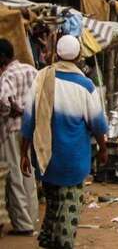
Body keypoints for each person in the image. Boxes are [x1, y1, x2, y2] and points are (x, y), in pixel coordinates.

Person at [20, 35, 109, 249]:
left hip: (45, 156)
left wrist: (23, 153)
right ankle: (62, 243)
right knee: (68, 208)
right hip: (74, 158)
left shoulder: (41, 78)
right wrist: (103, 149)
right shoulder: (85, 86)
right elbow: (97, 124)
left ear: (57, 54)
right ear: (78, 56)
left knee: (53, 202)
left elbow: (28, 119)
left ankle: (48, 240)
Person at [0, 39, 38, 236]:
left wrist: (11, 110)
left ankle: (23, 224)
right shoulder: (31, 70)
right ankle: (31, 217)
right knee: (27, 173)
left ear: (2, 57)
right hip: (29, 129)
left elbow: (4, 102)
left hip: (12, 130)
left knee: (14, 174)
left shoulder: (6, 75)